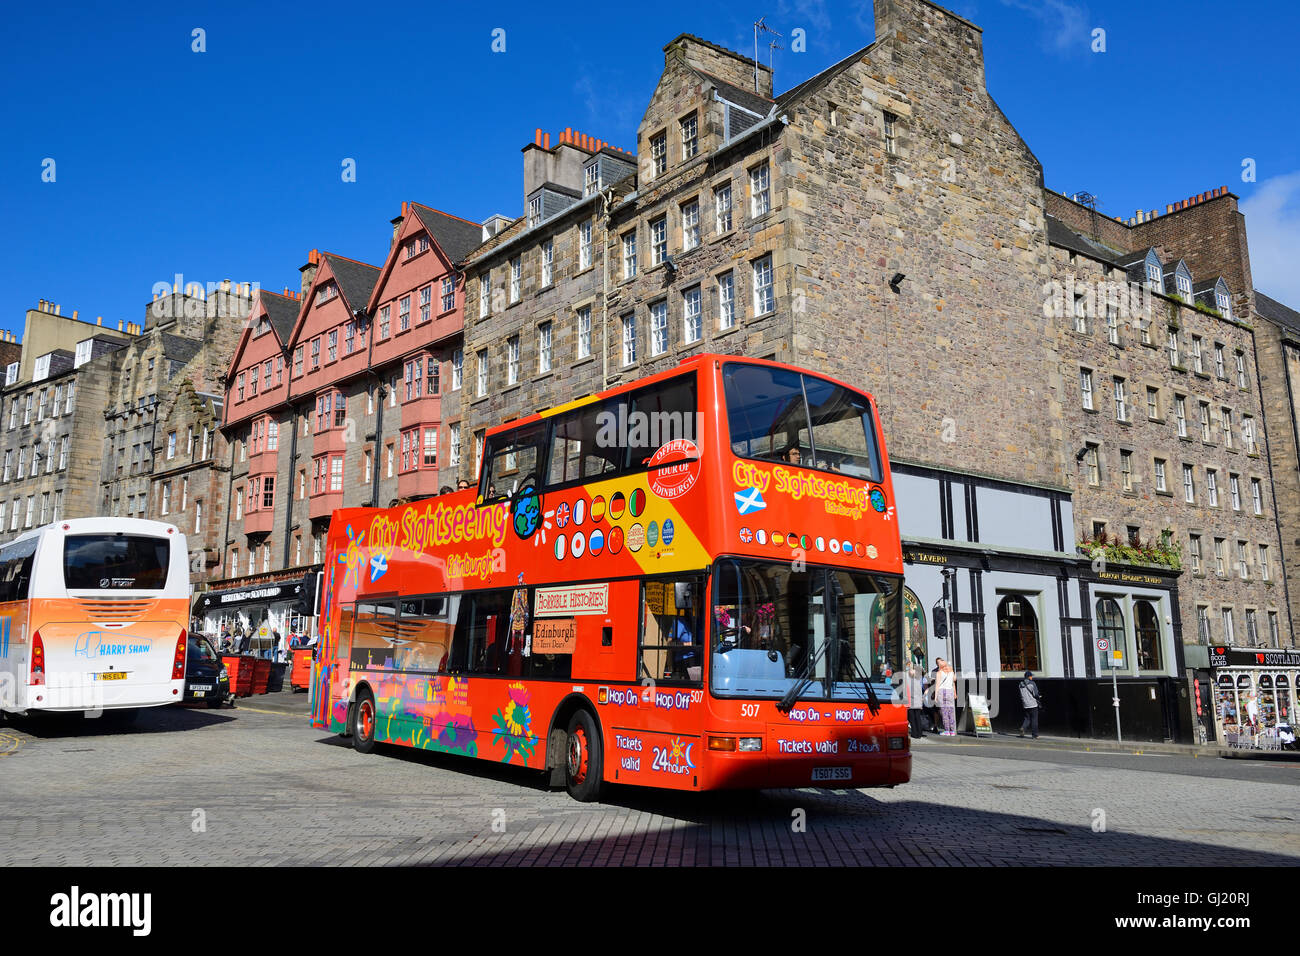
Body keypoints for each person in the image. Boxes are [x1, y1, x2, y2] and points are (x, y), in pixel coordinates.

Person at [934, 657, 956, 736]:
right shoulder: (951, 672)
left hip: (942, 691)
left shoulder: (939, 673)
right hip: (950, 692)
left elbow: (937, 685)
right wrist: (954, 693)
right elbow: (954, 681)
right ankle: (952, 731)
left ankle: (947, 731)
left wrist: (936, 696)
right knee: (951, 712)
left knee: (944, 712)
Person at [1018, 670, 1042, 738]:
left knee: (1027, 718)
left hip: (1025, 704)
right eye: (1031, 676)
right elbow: (1036, 694)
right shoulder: (1032, 683)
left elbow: (1021, 694)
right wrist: (1039, 697)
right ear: (1029, 677)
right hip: (1033, 704)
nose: (1032, 677)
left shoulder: (1020, 684)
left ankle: (1023, 728)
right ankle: (1035, 735)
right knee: (1034, 719)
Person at [905, 660, 925, 738]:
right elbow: (920, 688)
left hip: (910, 698)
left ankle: (914, 733)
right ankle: (919, 733)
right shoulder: (918, 675)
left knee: (912, 718)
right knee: (917, 717)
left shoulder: (906, 674)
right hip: (917, 698)